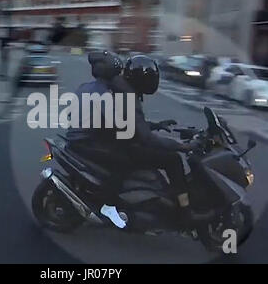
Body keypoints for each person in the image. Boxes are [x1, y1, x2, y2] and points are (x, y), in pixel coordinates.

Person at [66, 51, 204, 228]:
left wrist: (155, 125)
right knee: (172, 159)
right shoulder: (123, 94)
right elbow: (145, 137)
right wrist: (182, 147)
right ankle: (184, 212)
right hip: (95, 143)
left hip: (100, 139)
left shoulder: (114, 88)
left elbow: (130, 122)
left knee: (149, 155)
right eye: (150, 77)